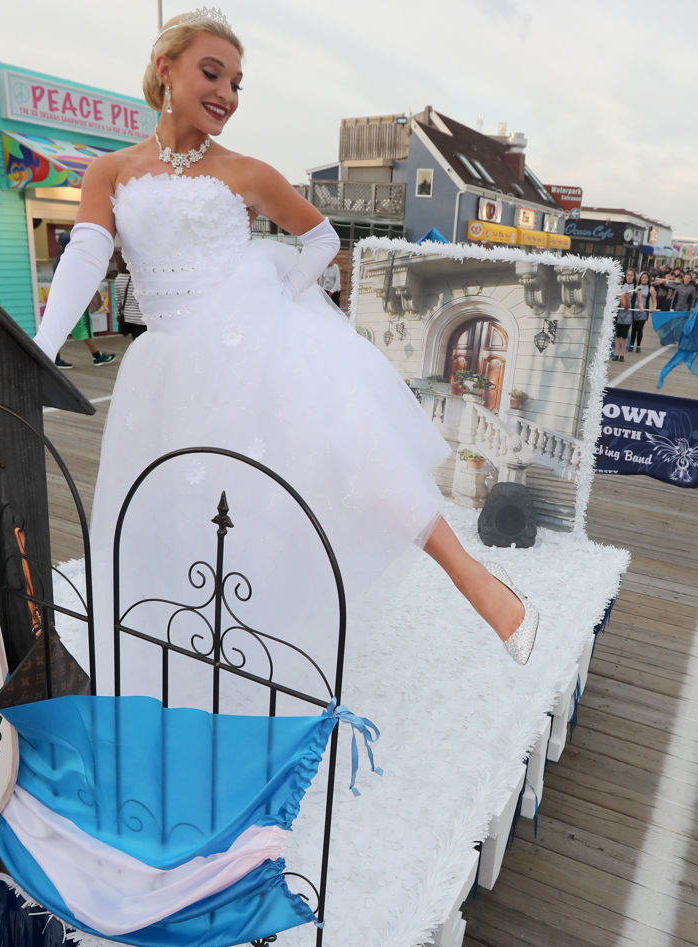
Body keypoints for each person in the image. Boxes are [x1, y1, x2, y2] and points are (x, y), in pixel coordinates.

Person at [31, 9, 536, 664]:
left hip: (253, 333)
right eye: (212, 74)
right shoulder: (112, 171)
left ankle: (481, 586)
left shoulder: (247, 170)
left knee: (351, 445)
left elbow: (322, 240)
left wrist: (283, 295)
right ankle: (212, 644)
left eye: (238, 83)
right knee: (202, 503)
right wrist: (40, 347)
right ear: (166, 70)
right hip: (168, 359)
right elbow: (85, 256)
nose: (227, 95)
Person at [53, 231, 117, 368]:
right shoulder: (72, 258)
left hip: (60, 299)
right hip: (75, 299)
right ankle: (97, 357)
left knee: (62, 329)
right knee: (84, 327)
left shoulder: (58, 260)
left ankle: (55, 357)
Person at [628, 271, 657, 353]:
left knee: (640, 329)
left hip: (644, 311)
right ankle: (631, 345)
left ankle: (638, 346)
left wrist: (654, 307)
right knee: (633, 328)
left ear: (648, 279)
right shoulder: (637, 287)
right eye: (643, 278)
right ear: (640, 279)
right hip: (635, 310)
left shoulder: (651, 288)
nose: (644, 279)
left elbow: (654, 301)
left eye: (646, 278)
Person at [612, 267, 635, 361]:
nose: (629, 277)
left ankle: (622, 355)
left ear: (634, 277)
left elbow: (629, 304)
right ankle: (616, 353)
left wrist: (625, 298)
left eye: (631, 275)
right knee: (618, 334)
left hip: (628, 313)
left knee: (625, 335)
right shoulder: (621, 285)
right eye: (628, 275)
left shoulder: (635, 287)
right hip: (620, 312)